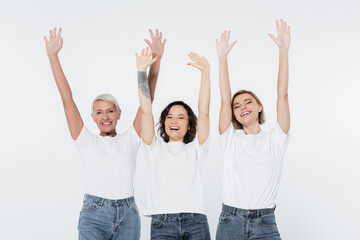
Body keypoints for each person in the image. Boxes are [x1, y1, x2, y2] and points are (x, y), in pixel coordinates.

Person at [44, 28, 166, 240]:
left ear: (119, 114)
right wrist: (53, 56)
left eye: (110, 111)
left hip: (128, 214)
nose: (105, 116)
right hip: (94, 215)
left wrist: (156, 60)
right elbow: (67, 99)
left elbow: (148, 100)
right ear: (92, 117)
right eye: (99, 112)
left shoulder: (130, 139)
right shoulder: (85, 140)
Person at [215, 19, 291, 240]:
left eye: (248, 102)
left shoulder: (276, 139)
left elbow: (283, 95)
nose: (242, 107)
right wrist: (222, 60)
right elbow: (223, 100)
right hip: (230, 221)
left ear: (259, 107)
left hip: (265, 222)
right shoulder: (229, 139)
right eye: (237, 106)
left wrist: (284, 52)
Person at [136, 47, 211, 240]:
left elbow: (204, 112)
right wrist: (141, 72)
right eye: (169, 117)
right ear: (163, 122)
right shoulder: (153, 148)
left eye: (180, 117)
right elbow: (146, 110)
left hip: (196, 221)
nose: (174, 121)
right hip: (163, 223)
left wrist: (205, 73)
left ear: (189, 125)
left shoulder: (196, 148)